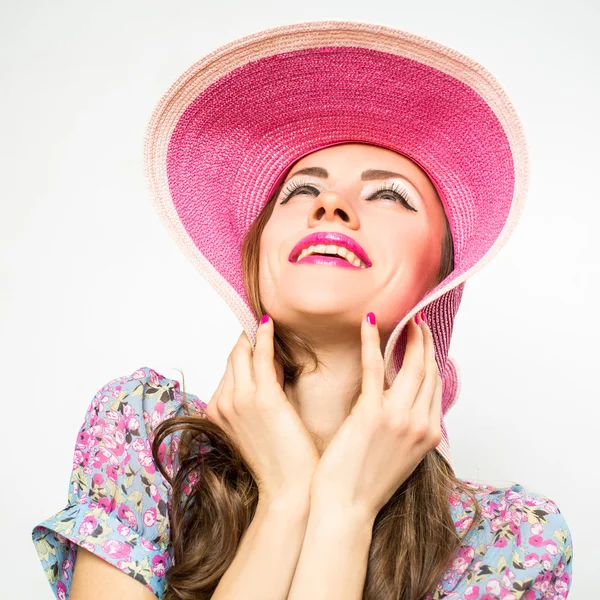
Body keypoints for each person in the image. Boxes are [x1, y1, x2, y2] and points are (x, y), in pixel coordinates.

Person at [31, 20, 573, 600]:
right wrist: (286, 496)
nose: (331, 206)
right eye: (300, 191)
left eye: (389, 194)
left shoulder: (507, 542)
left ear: (442, 281)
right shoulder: (148, 438)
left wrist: (345, 506)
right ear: (258, 256)